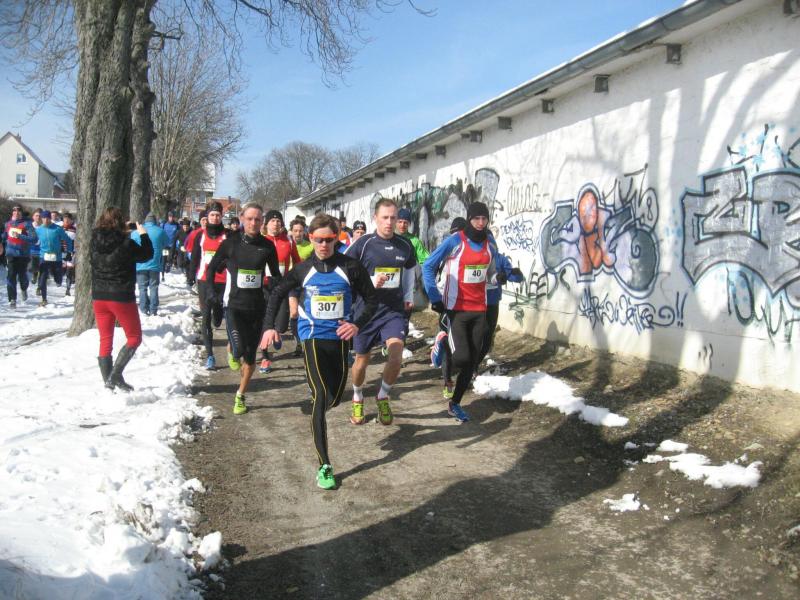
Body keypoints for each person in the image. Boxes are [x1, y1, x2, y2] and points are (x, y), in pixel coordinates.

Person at [261, 213, 377, 490]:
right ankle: (324, 465)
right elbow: (277, 292)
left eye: (328, 239)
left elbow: (372, 299)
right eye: (318, 240)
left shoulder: (350, 267)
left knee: (334, 399)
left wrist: (357, 324)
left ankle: (318, 412)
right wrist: (269, 326)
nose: (323, 245)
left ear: (336, 239)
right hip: (311, 336)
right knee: (321, 395)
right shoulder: (303, 270)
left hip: (339, 338)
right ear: (310, 239)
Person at [345, 198, 417, 426]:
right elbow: (345, 273)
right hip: (365, 312)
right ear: (375, 218)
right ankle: (357, 397)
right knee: (361, 361)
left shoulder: (405, 245)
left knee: (396, 355)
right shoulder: (363, 244)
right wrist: (369, 281)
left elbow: (409, 271)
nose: (389, 222)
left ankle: (383, 396)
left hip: (392, 311)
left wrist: (409, 296)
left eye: (393, 218)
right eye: (385, 217)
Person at [422, 202, 496, 422]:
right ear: (469, 219)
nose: (480, 223)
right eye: (476, 218)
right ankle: (442, 344)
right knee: (462, 358)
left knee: (472, 362)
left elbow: (490, 274)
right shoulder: (455, 241)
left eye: (484, 219)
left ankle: (454, 404)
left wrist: (500, 277)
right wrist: (434, 297)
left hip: (479, 310)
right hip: (456, 310)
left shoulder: (489, 244)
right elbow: (428, 265)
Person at [205, 203, 281, 415]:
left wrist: (275, 288)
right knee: (238, 349)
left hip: (257, 309)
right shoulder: (231, 243)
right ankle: (232, 348)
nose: (253, 223)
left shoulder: (267, 246)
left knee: (249, 358)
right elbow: (212, 268)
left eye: (257, 219)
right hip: (235, 307)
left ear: (262, 222)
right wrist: (210, 291)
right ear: (242, 219)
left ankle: (240, 395)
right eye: (249, 219)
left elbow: (276, 275)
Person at [90, 208, 153, 390]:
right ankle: (115, 376)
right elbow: (147, 254)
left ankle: (108, 383)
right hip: (121, 295)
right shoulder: (126, 243)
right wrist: (142, 233)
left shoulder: (94, 241)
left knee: (105, 339)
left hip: (99, 295)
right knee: (134, 337)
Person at [259, 209, 302, 372]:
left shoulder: (288, 241)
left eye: (278, 221)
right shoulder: (261, 240)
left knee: (283, 325)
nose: (276, 224)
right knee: (265, 321)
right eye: (272, 221)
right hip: (263, 286)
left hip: (281, 285)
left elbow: (297, 262)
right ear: (266, 224)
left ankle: (277, 333)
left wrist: (294, 278)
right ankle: (265, 357)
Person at [188, 201, 229, 370]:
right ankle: (210, 356)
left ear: (221, 217)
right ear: (207, 217)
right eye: (212, 215)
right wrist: (191, 275)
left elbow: (233, 256)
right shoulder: (201, 235)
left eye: (218, 215)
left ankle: (217, 316)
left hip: (223, 280)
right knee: (205, 316)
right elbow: (195, 257)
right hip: (205, 280)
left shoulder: (227, 235)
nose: (215, 218)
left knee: (217, 319)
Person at [131, 213, 169, 316]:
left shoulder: (136, 232)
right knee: (154, 287)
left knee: (142, 288)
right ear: (155, 221)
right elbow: (167, 243)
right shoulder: (160, 231)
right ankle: (153, 309)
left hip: (140, 264)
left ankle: (143, 309)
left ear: (145, 220)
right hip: (155, 264)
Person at [34, 210, 72, 307]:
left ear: (50, 219)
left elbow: (68, 240)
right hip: (44, 256)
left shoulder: (57, 229)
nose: (46, 220)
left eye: (47, 218)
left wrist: (69, 252)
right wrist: (21, 237)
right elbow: (33, 239)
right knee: (42, 278)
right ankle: (44, 299)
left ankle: (57, 278)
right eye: (44, 218)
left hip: (56, 257)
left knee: (58, 279)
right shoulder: (39, 229)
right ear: (42, 219)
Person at [2, 205, 37, 308]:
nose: (16, 213)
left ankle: (24, 288)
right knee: (11, 275)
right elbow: (4, 236)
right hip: (10, 254)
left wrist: (20, 236)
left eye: (18, 211)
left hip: (23, 255)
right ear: (12, 213)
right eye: (14, 211)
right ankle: (12, 299)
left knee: (22, 276)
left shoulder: (27, 224)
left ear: (21, 213)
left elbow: (34, 239)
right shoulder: (8, 224)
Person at [61, 212, 77, 296]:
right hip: (61, 253)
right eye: (65, 219)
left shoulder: (75, 230)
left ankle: (68, 289)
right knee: (61, 271)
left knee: (69, 271)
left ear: (71, 220)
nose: (66, 221)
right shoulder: (59, 229)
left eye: (68, 219)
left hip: (71, 253)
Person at [161, 211, 180, 281]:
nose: (171, 218)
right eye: (170, 217)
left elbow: (179, 234)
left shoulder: (176, 225)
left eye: (172, 217)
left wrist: (178, 243)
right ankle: (162, 275)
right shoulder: (164, 224)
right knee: (164, 259)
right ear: (168, 217)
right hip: (165, 245)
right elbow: (161, 233)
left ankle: (169, 265)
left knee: (170, 258)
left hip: (173, 245)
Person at [175, 219, 193, 284]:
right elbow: (174, 240)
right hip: (181, 249)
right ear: (182, 226)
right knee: (180, 263)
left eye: (187, 226)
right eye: (184, 226)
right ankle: (184, 270)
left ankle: (188, 277)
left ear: (189, 226)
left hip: (188, 250)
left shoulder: (192, 232)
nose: (185, 228)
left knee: (187, 262)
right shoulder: (179, 232)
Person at [29, 209, 43, 291]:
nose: (38, 217)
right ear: (33, 217)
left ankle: (39, 288)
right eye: (36, 215)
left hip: (42, 251)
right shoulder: (29, 226)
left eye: (40, 216)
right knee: (33, 268)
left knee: (42, 270)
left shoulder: (44, 227)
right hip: (31, 251)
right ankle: (34, 274)